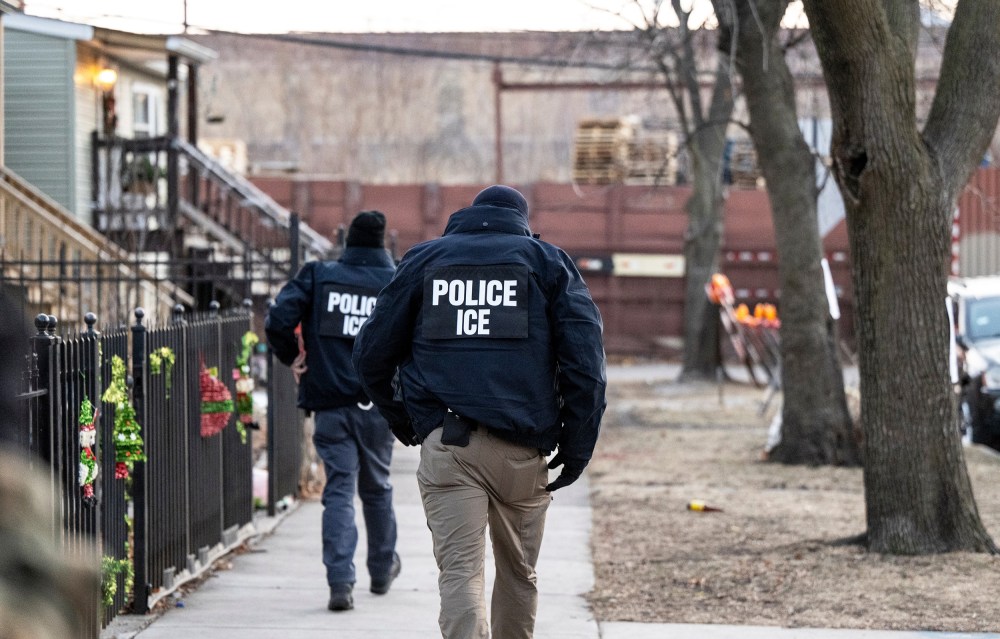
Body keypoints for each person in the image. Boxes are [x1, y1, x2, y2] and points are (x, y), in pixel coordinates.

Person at [352, 185, 607, 638]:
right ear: (523, 223)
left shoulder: (425, 260)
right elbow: (585, 365)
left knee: (461, 575)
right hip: (523, 451)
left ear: (468, 215)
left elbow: (371, 354)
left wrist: (407, 422)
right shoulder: (547, 263)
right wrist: (577, 446)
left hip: (449, 444)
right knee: (518, 575)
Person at [265, 211, 401, 612]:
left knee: (339, 489)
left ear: (349, 244)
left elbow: (278, 320)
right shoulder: (394, 282)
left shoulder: (319, 275)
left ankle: (340, 582)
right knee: (377, 486)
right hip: (379, 406)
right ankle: (381, 569)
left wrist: (293, 357)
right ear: (380, 246)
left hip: (331, 405)